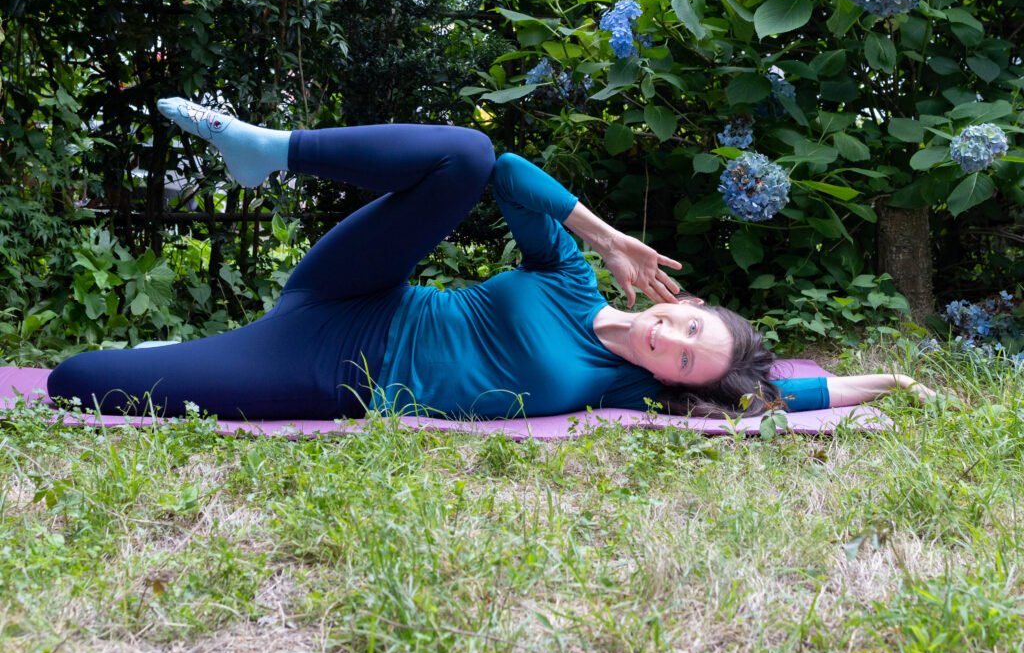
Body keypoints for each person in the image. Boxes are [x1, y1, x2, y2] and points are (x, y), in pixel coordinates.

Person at [48, 102, 936, 421]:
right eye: (686, 330)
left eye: (678, 362)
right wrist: (604, 236)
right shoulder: (570, 274)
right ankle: (271, 149)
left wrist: (892, 383)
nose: (665, 342)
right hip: (362, 287)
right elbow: (509, 175)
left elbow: (776, 397)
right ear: (688, 303)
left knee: (76, 381)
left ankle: (191, 355)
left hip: (332, 371)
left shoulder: (618, 387)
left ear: (670, 382)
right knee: (467, 156)